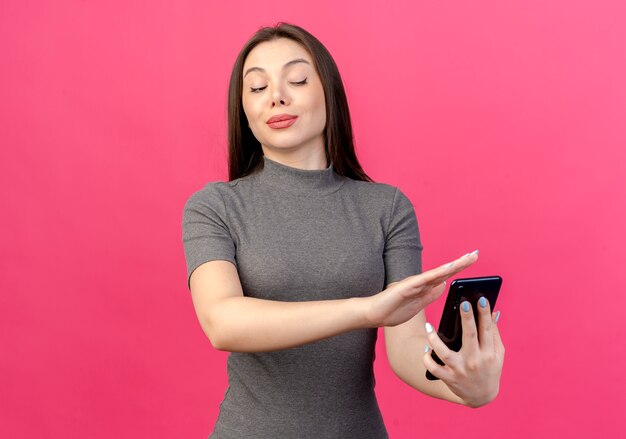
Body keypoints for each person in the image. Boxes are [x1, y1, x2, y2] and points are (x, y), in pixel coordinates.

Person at [182, 22, 504, 439]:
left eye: (296, 79)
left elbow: (407, 348)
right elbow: (223, 322)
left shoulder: (387, 208)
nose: (277, 95)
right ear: (243, 111)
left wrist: (467, 386)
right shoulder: (215, 207)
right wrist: (366, 309)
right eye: (257, 88)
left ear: (328, 92)